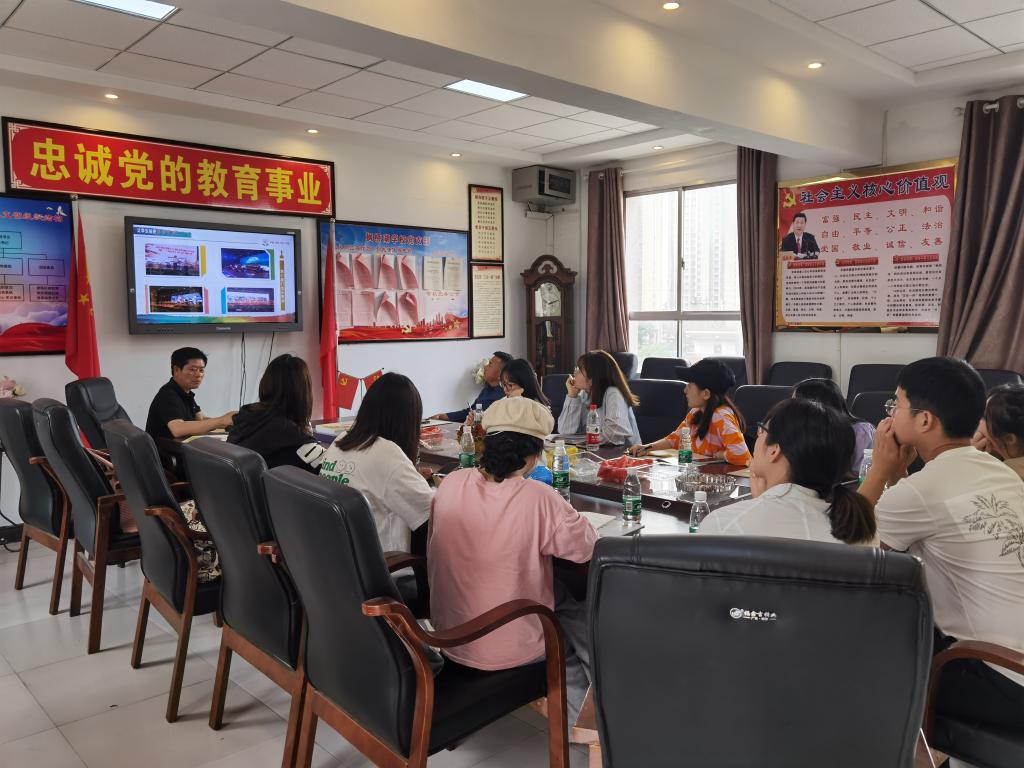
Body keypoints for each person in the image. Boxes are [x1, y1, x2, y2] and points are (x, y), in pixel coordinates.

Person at [858, 357, 1024, 740]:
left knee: (867, 649)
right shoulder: (999, 470)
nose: (890, 414)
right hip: (1014, 667)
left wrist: (879, 470)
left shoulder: (923, 490)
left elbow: (845, 554)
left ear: (924, 420)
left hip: (1001, 679)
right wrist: (899, 476)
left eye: (896, 404)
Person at [428, 396, 598, 724]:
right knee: (577, 610)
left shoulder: (451, 482)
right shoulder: (538, 497)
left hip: (449, 634)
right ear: (535, 454)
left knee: (559, 593)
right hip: (509, 646)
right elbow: (586, 548)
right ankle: (588, 720)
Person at [699, 398, 875, 543]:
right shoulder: (858, 532)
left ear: (774, 450)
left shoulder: (720, 525)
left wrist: (760, 501)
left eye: (761, 430)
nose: (757, 438)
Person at [319, 372, 432, 554]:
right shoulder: (387, 454)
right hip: (383, 565)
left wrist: (413, 476)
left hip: (336, 559)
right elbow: (433, 511)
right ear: (407, 421)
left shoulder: (341, 441)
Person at [629, 358, 750, 466]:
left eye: (690, 386)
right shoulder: (696, 412)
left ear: (706, 394)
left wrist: (720, 455)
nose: (685, 390)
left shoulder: (721, 417)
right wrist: (646, 448)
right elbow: (675, 439)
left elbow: (742, 455)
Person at [227, 354, 325, 473]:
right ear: (303, 392)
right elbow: (330, 468)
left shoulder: (246, 415)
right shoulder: (290, 433)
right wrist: (307, 437)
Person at [145, 347, 236, 440]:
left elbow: (200, 419)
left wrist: (232, 421)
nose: (198, 375)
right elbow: (178, 429)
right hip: (164, 449)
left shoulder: (186, 393)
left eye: (201, 370)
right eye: (193, 369)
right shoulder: (167, 395)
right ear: (176, 370)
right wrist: (221, 421)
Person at [792, 377, 875, 477]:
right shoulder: (797, 430)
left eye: (794, 403)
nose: (790, 409)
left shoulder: (861, 432)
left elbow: (865, 475)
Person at [557, 350, 641, 445]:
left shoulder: (614, 394)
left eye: (579, 370)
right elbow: (565, 432)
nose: (574, 374)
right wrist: (572, 396)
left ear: (592, 378)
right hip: (594, 451)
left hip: (624, 452)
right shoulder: (583, 394)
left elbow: (614, 435)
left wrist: (579, 441)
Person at [431, 351, 513, 422]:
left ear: (501, 374)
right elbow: (470, 412)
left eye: (490, 365)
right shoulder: (487, 389)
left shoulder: (505, 397)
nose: (485, 367)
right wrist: (443, 416)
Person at [972, 383, 1024, 480]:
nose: (977, 421)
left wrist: (969, 459)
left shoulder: (1004, 478)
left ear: (1009, 438)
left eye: (984, 418)